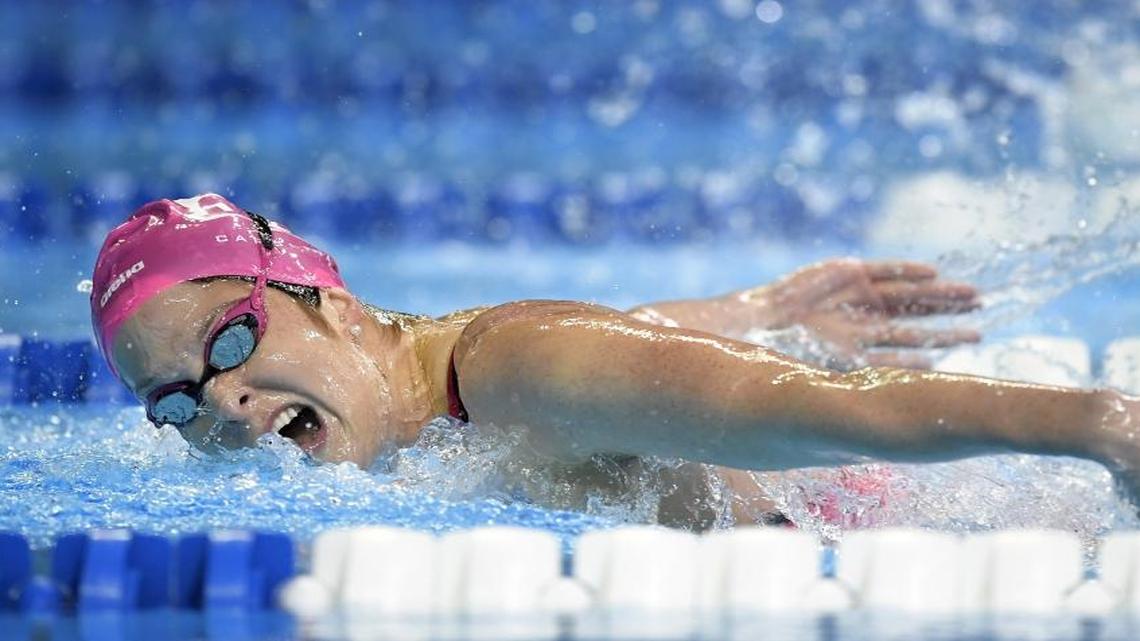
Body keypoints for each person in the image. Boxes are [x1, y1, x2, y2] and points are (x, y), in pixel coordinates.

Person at [91, 193, 1140, 528]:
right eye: (174, 399)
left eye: (229, 338)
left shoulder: (511, 364)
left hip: (891, 536)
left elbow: (823, 411)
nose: (222, 399)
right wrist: (757, 307)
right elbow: (610, 360)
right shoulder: (434, 387)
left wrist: (1100, 425)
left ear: (325, 298)